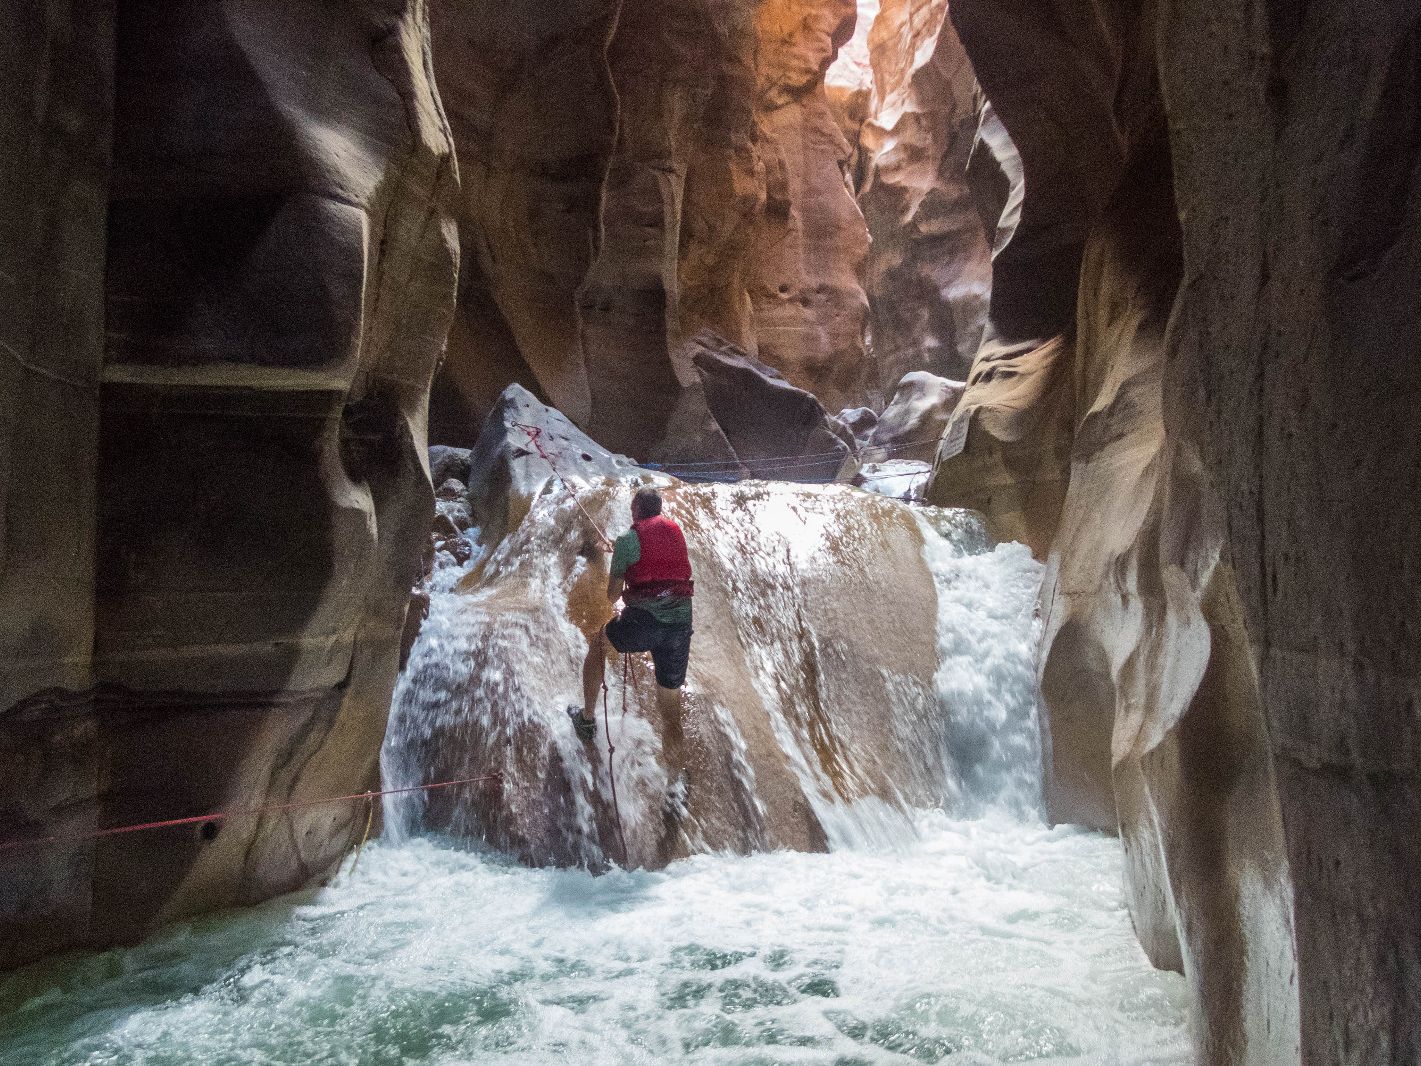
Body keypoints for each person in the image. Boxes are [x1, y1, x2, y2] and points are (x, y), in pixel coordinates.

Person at [568, 487, 694, 813]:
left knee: (598, 645)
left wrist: (619, 564)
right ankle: (675, 783)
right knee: (670, 709)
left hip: (645, 624)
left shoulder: (627, 542)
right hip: (679, 628)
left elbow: (612, 597)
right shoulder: (675, 531)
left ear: (636, 509)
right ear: (659, 509)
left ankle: (586, 718)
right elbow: (660, 567)